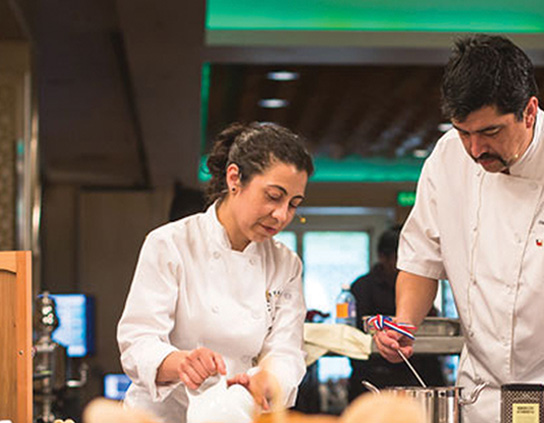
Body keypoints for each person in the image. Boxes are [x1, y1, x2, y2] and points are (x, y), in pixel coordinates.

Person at [373, 34, 544, 423]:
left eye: (491, 133)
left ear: (529, 111)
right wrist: (404, 324)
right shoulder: (446, 158)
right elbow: (420, 259)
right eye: (464, 132)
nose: (475, 149)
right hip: (478, 394)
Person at [117, 122, 314, 423]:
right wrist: (180, 362)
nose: (282, 215)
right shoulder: (170, 244)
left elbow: (287, 351)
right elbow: (138, 341)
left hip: (233, 414)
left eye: (293, 205)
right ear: (234, 178)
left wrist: (268, 380)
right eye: (274, 196)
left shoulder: (285, 264)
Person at [347, 226, 445, 401]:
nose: (404, 266)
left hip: (419, 369)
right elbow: (355, 331)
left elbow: (431, 318)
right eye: (400, 260)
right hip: (376, 373)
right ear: (383, 257)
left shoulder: (423, 285)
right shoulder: (363, 287)